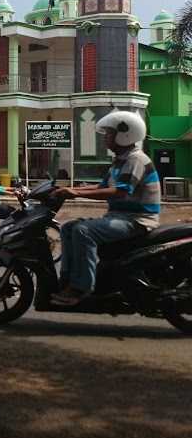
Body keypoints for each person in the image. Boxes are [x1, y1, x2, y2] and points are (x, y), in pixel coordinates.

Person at [52, 110, 161, 307]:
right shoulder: (119, 161)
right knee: (68, 227)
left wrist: (75, 193)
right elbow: (101, 187)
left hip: (137, 219)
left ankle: (82, 287)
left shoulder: (136, 159)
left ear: (125, 135)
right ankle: (67, 279)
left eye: (110, 134)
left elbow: (120, 191)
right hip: (120, 216)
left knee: (83, 231)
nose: (106, 138)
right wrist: (67, 190)